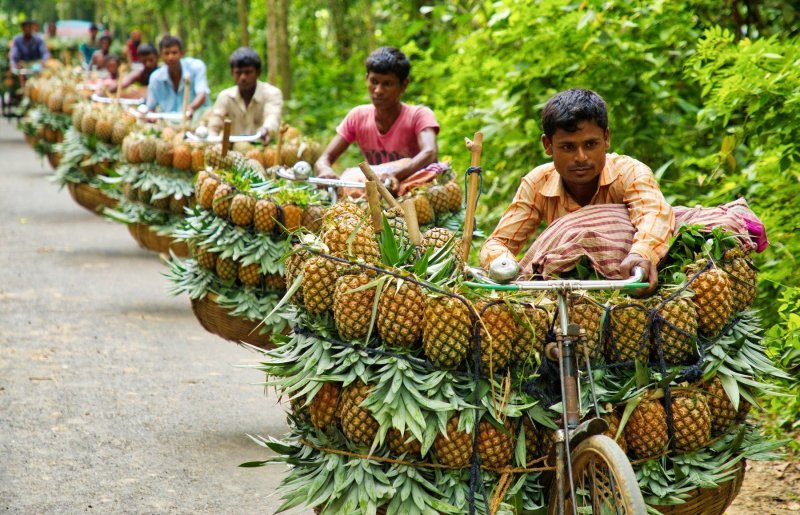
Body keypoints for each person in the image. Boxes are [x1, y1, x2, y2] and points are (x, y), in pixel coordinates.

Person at [479, 88, 674, 293]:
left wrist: (642, 254)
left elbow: (655, 213)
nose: (581, 157)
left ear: (606, 138)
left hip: (627, 283)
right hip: (566, 292)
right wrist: (503, 263)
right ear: (548, 145)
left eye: (590, 144)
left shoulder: (629, 172)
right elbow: (498, 243)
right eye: (568, 147)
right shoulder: (537, 183)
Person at [314, 47, 439, 194]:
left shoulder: (419, 115)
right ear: (367, 79)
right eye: (374, 82)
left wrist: (395, 175)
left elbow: (430, 152)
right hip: (376, 194)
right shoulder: (357, 116)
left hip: (414, 191)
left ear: (403, 85)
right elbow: (325, 158)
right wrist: (325, 170)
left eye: (387, 84)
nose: (378, 90)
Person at [207, 47, 282, 141]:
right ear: (232, 73)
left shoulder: (271, 93)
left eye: (248, 72)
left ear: (258, 72)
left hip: (263, 149)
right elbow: (213, 126)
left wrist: (266, 130)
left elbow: (273, 116)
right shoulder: (225, 97)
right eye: (238, 73)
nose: (243, 77)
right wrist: (214, 144)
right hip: (232, 152)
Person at [145, 35, 210, 117]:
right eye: (166, 53)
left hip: (197, 120)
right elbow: (150, 107)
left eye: (174, 53)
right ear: (161, 56)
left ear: (182, 53)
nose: (170, 57)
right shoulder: (155, 78)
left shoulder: (196, 67)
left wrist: (191, 108)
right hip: (169, 125)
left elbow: (202, 94)